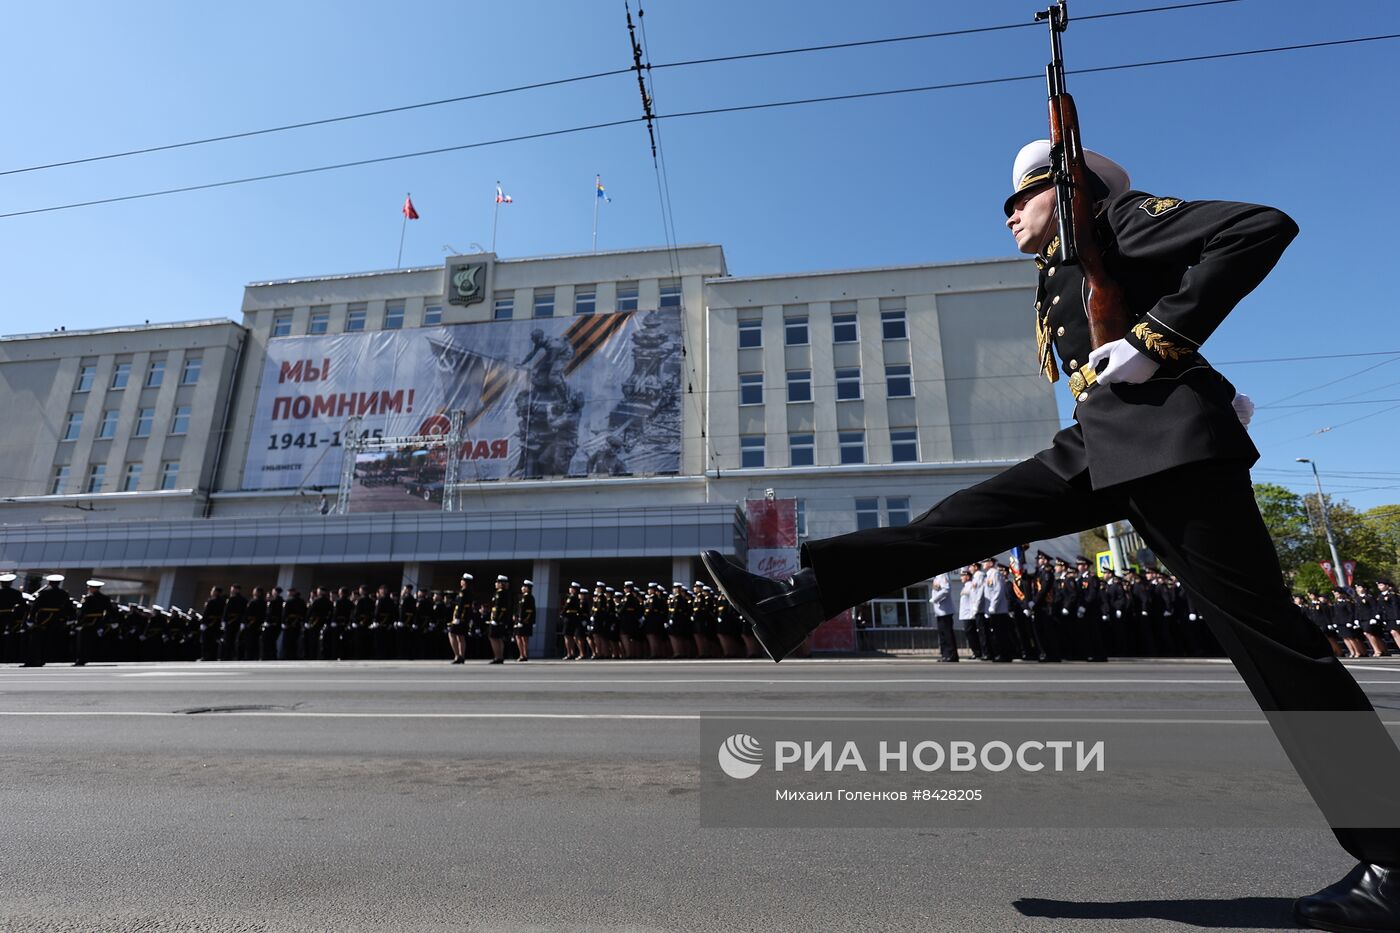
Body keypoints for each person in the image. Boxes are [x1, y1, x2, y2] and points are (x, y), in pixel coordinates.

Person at [703, 138, 1400, 930]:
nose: (1008, 213)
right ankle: (802, 597)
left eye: (1024, 197)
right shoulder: (1064, 272)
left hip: (1174, 453)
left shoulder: (1120, 220)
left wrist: (1156, 343)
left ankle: (1396, 859)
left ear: (1070, 194)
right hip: (1105, 444)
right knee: (961, 519)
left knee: (1276, 649)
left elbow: (1259, 227)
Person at [73, 580, 112, 667]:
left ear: (92, 588)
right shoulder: (105, 598)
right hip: (99, 621)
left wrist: (78, 623)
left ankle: (81, 659)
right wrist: (105, 621)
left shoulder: (88, 598)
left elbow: (82, 612)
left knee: (83, 642)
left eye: (90, 587)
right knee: (94, 641)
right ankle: (91, 657)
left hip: (87, 622)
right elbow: (110, 611)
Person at [929, 571, 957, 662]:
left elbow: (946, 589)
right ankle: (945, 655)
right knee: (942, 635)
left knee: (947, 634)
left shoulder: (943, 575)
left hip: (945, 611)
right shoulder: (937, 577)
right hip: (939, 611)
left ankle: (952, 655)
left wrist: (935, 599)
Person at [513, 580, 535, 662]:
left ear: (528, 588)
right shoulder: (522, 597)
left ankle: (524, 655)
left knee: (524, 638)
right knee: (518, 637)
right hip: (519, 621)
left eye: (524, 587)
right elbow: (519, 609)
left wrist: (523, 620)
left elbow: (530, 611)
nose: (522, 588)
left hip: (525, 621)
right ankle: (521, 654)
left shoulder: (529, 597)